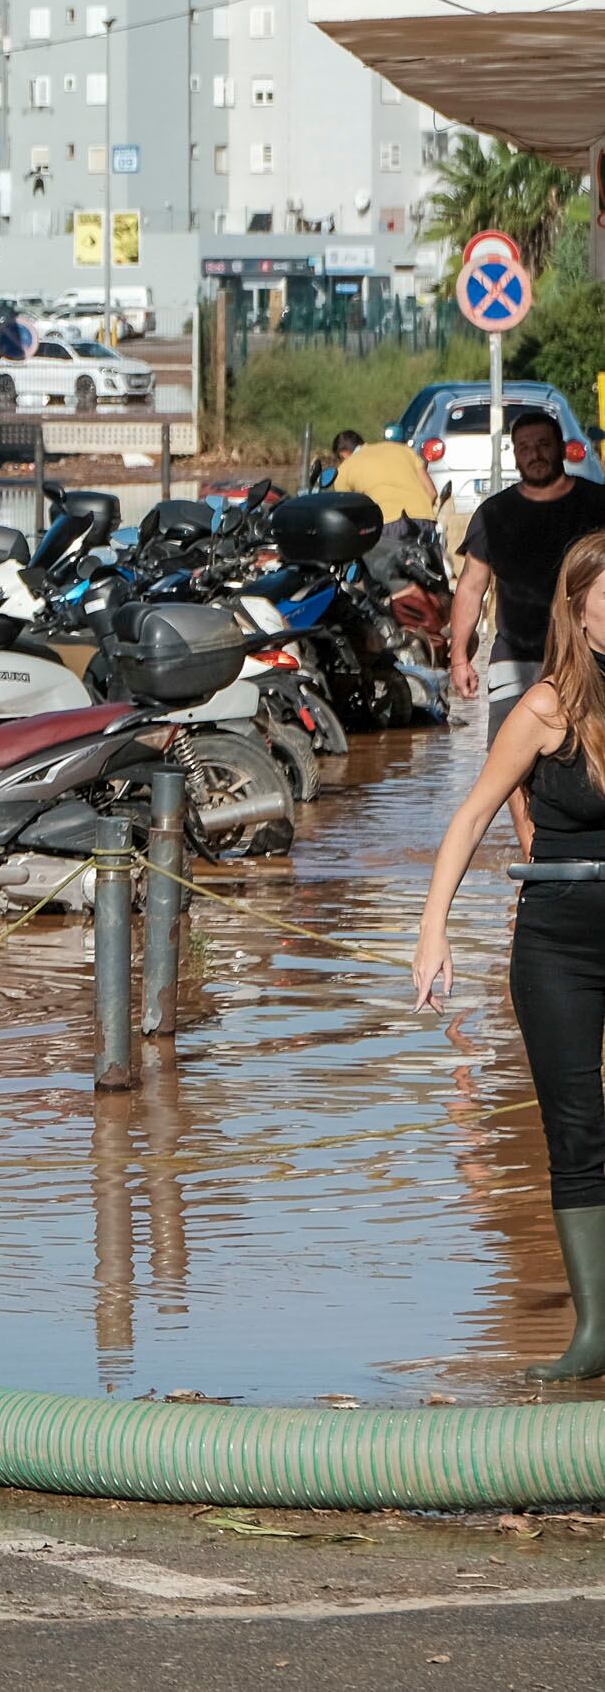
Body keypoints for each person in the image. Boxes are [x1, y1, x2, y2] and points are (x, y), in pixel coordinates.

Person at [416, 529, 605, 1381]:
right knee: (575, 1130)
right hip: (558, 937)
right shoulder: (544, 708)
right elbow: (471, 818)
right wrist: (432, 928)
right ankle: (595, 1333)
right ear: (577, 609)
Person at [452, 409, 605, 718]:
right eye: (524, 448)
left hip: (590, 657)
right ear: (515, 457)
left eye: (543, 444)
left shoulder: (598, 504)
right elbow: (470, 588)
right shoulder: (493, 514)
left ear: (562, 448)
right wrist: (459, 658)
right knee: (508, 761)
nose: (534, 454)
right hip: (515, 660)